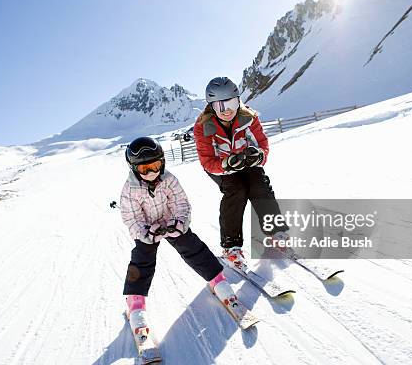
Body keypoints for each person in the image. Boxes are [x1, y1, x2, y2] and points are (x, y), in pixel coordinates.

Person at [120, 136, 239, 336]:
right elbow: (132, 218)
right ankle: (135, 302)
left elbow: (181, 203)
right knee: (142, 258)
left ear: (163, 162)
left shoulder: (169, 179)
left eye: (155, 165)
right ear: (134, 169)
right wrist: (145, 233)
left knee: (192, 246)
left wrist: (179, 223)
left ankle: (216, 279)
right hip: (148, 229)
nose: (151, 173)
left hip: (170, 221)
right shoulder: (130, 190)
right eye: (144, 169)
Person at [193, 77, 288, 270]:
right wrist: (227, 164)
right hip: (220, 167)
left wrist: (259, 156)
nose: (227, 110)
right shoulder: (204, 126)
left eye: (231, 103)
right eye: (220, 106)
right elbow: (207, 162)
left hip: (246, 161)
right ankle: (231, 246)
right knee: (236, 189)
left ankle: (276, 231)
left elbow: (263, 145)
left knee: (258, 184)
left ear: (238, 100)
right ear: (211, 107)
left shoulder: (248, 118)